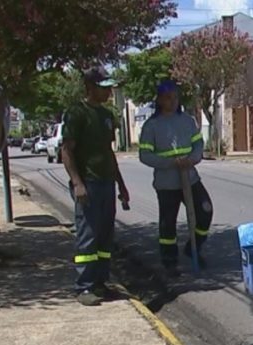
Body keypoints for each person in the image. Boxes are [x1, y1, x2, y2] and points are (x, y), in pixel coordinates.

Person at [61, 66, 130, 306]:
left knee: (104, 237)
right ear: (90, 88)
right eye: (104, 87)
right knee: (88, 236)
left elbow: (108, 153)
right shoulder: (77, 113)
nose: (109, 91)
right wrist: (77, 183)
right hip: (88, 184)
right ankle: (84, 286)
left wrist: (121, 185)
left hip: (106, 183)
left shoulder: (106, 116)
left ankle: (101, 282)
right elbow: (66, 151)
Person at [138, 79, 212, 276]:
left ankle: (193, 247)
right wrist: (170, 163)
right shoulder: (151, 126)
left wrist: (192, 159)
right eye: (168, 98)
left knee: (205, 211)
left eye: (175, 97)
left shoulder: (187, 121)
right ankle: (169, 260)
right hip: (166, 183)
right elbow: (145, 155)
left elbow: (198, 145)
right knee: (167, 222)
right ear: (160, 100)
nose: (172, 101)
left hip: (190, 177)